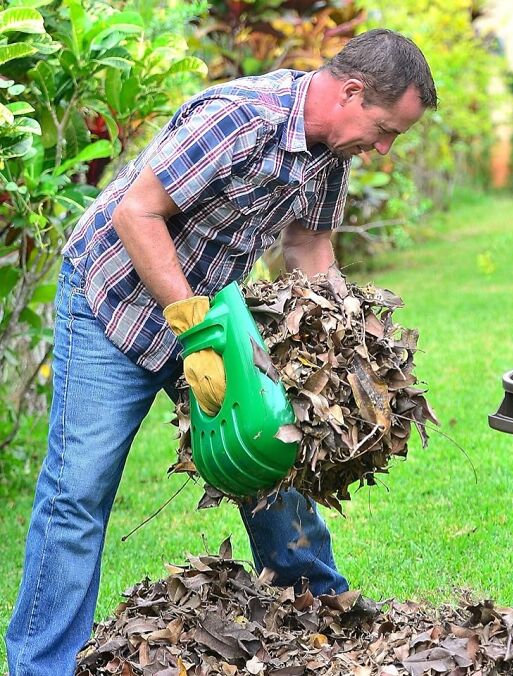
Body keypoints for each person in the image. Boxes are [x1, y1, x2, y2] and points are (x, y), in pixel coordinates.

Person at [5, 28, 437, 676]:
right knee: (79, 492)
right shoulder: (240, 119)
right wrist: (194, 330)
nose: (381, 149)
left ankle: (316, 610)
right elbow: (136, 215)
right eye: (383, 130)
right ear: (350, 92)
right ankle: (41, 665)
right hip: (111, 304)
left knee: (273, 445)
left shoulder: (329, 154)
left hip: (207, 314)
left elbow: (309, 247)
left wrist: (346, 344)